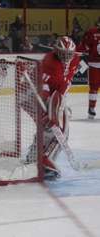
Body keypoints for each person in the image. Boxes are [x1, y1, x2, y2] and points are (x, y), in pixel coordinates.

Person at [23, 36, 80, 180]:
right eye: (63, 53)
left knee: (54, 128)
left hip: (52, 96)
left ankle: (34, 156)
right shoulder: (50, 62)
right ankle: (43, 159)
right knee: (54, 129)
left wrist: (56, 106)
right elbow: (43, 89)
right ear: (56, 51)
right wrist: (46, 111)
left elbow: (63, 85)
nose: (66, 57)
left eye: (69, 54)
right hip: (31, 95)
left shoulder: (75, 59)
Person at [77, 20, 100, 119]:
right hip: (94, 64)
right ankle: (91, 108)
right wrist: (78, 50)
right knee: (94, 87)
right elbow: (84, 46)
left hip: (94, 62)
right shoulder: (92, 32)